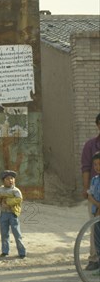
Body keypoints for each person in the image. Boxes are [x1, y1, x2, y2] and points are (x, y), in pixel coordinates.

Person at [81, 113, 100, 270]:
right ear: (97, 125)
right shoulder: (90, 145)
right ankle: (94, 258)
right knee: (95, 225)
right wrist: (86, 189)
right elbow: (86, 168)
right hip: (96, 191)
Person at [0, 170, 26, 258]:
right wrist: (0, 198)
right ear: (3, 180)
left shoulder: (16, 190)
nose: (10, 180)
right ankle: (5, 251)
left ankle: (22, 252)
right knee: (4, 233)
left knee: (17, 233)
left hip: (13, 214)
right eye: (8, 179)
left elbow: (19, 199)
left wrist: (8, 201)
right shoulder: (0, 189)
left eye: (12, 178)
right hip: (3, 214)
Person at [87, 152, 100, 275]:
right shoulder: (95, 180)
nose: (97, 167)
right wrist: (96, 205)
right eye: (95, 164)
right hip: (95, 213)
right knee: (96, 239)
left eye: (99, 164)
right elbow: (89, 195)